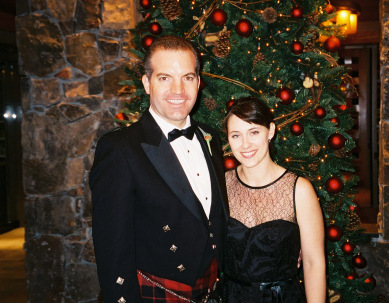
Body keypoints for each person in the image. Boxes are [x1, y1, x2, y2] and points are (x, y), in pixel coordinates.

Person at [90, 35, 228, 303]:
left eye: (188, 77)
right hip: (156, 293)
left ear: (199, 83)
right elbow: (112, 249)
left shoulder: (211, 138)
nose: (178, 90)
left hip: (213, 292)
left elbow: (215, 219)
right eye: (165, 78)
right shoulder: (120, 149)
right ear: (146, 83)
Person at [222, 97, 326, 302]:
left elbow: (314, 263)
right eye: (236, 135)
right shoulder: (220, 185)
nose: (245, 144)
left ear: (270, 131)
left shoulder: (299, 189)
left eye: (254, 132)